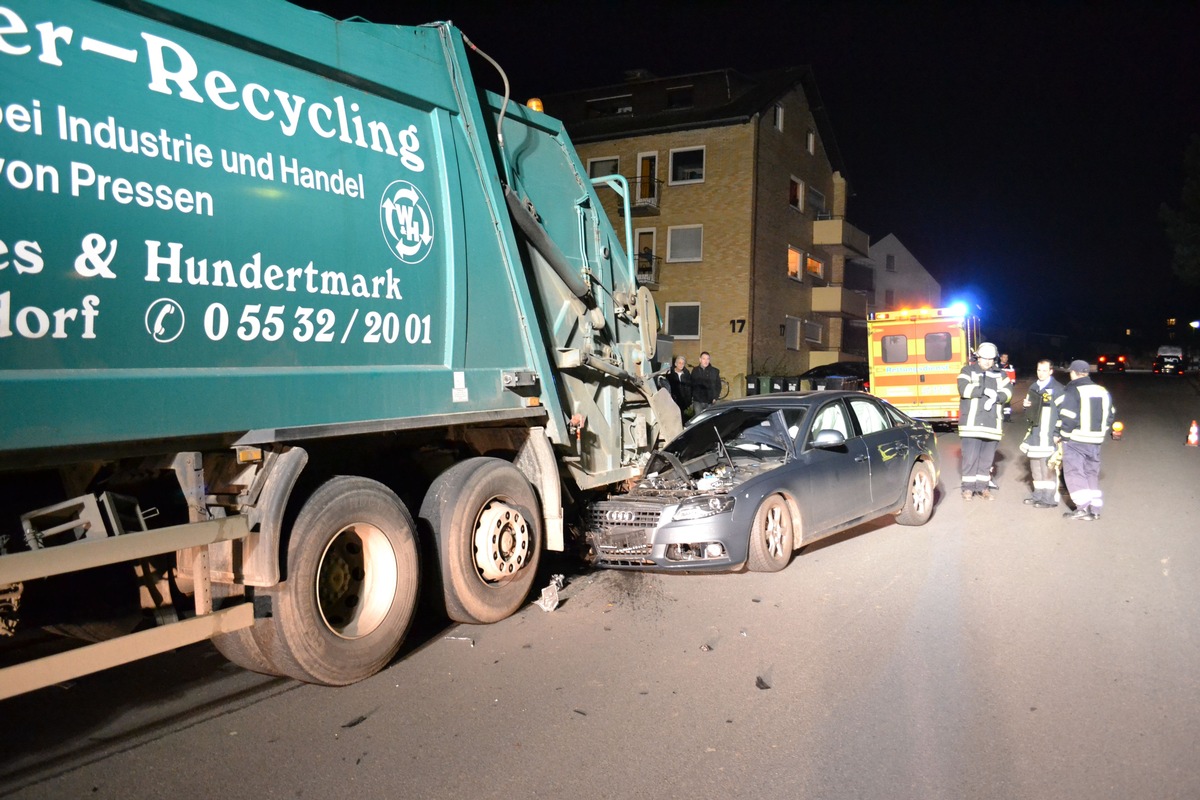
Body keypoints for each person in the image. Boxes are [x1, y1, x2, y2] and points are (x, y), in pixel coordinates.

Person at [1054, 359, 1115, 521]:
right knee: (1091, 473)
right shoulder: (1103, 391)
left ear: (1073, 373)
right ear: (1087, 373)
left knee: (1074, 472)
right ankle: (1095, 509)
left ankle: (1082, 509)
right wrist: (1100, 431)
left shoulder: (1074, 391)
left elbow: (1069, 417)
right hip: (1095, 441)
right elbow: (1111, 415)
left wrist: (1063, 436)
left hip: (1076, 440)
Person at [956, 341, 1012, 500]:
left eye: (991, 359)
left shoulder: (1001, 374)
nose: (987, 362)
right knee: (970, 458)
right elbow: (964, 389)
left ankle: (983, 488)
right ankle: (967, 489)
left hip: (992, 424)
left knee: (987, 460)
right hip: (971, 425)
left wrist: (998, 396)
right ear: (978, 357)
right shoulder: (967, 370)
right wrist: (985, 390)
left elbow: (1008, 393)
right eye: (984, 358)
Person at [1019, 359, 1064, 508]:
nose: (1041, 373)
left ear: (1051, 371)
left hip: (1049, 436)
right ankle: (1038, 495)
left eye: (1044, 370)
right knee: (1036, 469)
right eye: (1039, 370)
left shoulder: (1058, 389)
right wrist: (1026, 407)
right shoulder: (1033, 387)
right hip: (1034, 436)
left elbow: (1064, 413)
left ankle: (1049, 499)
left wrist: (1058, 433)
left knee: (1048, 470)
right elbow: (1031, 412)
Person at [690, 351, 721, 416]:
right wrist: (692, 396)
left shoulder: (715, 371)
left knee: (708, 420)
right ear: (700, 359)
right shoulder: (695, 371)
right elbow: (691, 384)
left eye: (707, 359)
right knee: (698, 419)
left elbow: (718, 385)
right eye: (704, 359)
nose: (706, 361)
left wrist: (715, 397)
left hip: (710, 401)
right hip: (698, 401)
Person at [998, 352, 1017, 422]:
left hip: (1007, 387)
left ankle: (1007, 417)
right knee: (998, 401)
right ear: (1000, 358)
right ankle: (998, 417)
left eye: (1007, 357)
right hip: (998, 387)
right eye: (1004, 357)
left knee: (1007, 403)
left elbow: (1013, 378)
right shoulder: (996, 366)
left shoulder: (1010, 366)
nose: (1005, 359)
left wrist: (1011, 384)